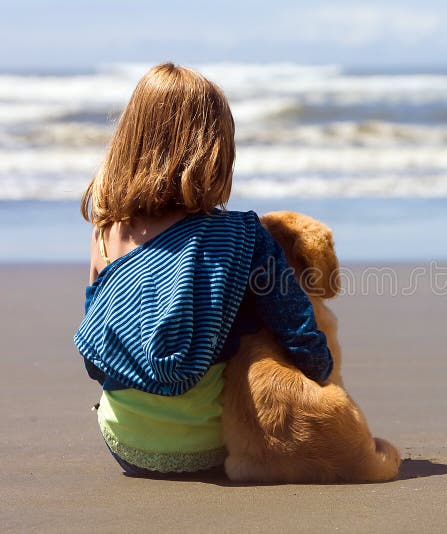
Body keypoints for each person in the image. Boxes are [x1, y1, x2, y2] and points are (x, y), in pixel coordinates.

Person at [73, 63, 333, 478]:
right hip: (217, 443)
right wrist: (323, 380)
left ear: (129, 140)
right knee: (255, 312)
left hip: (125, 443)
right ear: (215, 148)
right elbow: (297, 331)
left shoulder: (105, 233)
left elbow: (97, 356)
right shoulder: (243, 234)